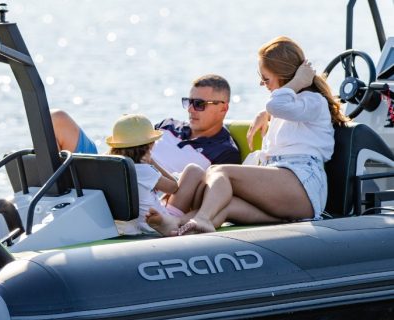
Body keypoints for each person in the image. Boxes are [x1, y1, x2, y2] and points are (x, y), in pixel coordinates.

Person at [146, 36, 348, 236]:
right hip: (285, 190)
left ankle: (202, 219)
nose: (262, 84)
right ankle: (178, 225)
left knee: (220, 172)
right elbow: (279, 107)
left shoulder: (314, 101)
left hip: (304, 185)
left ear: (285, 75)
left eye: (266, 78)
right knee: (226, 204)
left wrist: (296, 83)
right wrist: (266, 113)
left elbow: (277, 104)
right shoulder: (292, 105)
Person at [50, 74, 241, 170]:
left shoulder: (224, 153)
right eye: (188, 102)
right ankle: (46, 194)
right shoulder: (167, 125)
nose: (190, 109)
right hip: (109, 169)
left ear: (223, 108)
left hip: (136, 195)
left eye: (199, 104)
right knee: (57, 118)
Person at [106, 114, 205, 234]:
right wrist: (152, 162)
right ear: (150, 144)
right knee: (194, 171)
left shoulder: (113, 168)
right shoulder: (144, 170)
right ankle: (193, 221)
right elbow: (173, 187)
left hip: (137, 222)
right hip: (160, 223)